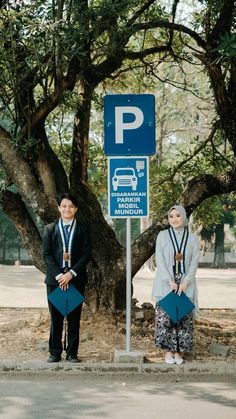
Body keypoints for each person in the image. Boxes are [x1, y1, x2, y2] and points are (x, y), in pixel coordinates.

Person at [42, 193, 91, 363]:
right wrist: (59, 275)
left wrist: (71, 274)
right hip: (54, 281)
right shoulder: (50, 229)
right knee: (55, 318)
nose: (67, 209)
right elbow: (47, 255)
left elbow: (86, 254)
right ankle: (54, 352)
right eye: (64, 206)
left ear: (75, 209)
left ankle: (72, 353)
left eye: (70, 206)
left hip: (75, 280)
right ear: (58, 208)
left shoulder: (83, 228)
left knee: (73, 318)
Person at [152, 205, 198, 365]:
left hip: (185, 283)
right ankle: (168, 351)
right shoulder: (163, 236)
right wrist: (169, 281)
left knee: (183, 318)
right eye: (171, 216)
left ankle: (178, 352)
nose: (174, 219)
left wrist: (186, 281)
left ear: (184, 217)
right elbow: (160, 259)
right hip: (167, 283)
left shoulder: (192, 238)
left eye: (178, 215)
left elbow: (194, 262)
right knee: (166, 318)